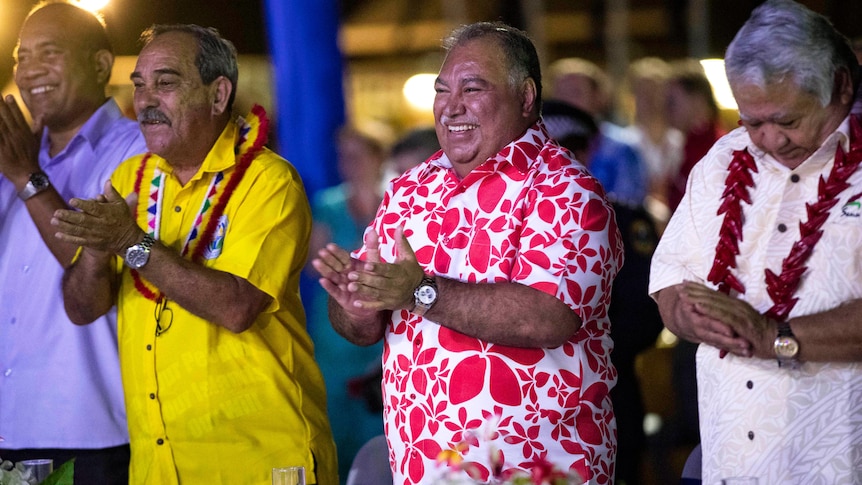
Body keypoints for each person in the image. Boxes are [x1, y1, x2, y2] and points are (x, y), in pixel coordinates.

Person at [313, 21, 623, 485]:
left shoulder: (568, 191)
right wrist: (357, 304)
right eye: (443, 90)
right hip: (424, 467)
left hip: (537, 467)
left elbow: (548, 317)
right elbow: (364, 324)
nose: (451, 105)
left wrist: (419, 292)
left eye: (472, 88)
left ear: (525, 96)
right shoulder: (409, 189)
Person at [52, 24, 337, 484]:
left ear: (218, 93)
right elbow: (82, 308)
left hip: (260, 459)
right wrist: (95, 250)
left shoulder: (267, 182)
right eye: (139, 84)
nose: (145, 100)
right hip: (158, 465)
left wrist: (130, 243)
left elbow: (237, 306)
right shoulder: (130, 180)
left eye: (165, 83)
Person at [649, 0, 862, 482]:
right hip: (730, 461)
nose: (770, 140)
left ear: (841, 86)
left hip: (839, 462)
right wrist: (692, 315)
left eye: (787, 121)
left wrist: (776, 338)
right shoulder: (723, 159)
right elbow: (670, 279)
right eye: (752, 122)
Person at [0, 2, 146, 483]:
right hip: (9, 425)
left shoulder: (136, 150)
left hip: (90, 428)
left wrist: (28, 178)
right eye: (22, 56)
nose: (30, 70)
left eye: (50, 52)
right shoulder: (14, 156)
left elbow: (94, 265)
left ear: (101, 65)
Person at [543, 99, 664, 485]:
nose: (559, 158)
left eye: (572, 147)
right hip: (521, 417)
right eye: (546, 147)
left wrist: (557, 338)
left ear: (590, 149)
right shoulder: (493, 226)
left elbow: (645, 319)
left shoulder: (625, 221)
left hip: (604, 400)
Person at [307, 124, 390, 484]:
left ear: (377, 157)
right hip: (335, 340)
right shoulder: (327, 204)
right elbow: (315, 263)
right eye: (342, 156)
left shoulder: (395, 200)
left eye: (356, 155)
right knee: (337, 438)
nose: (348, 163)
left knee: (385, 440)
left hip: (385, 337)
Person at [548, 57, 648, 206]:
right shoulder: (543, 147)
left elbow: (629, 203)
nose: (566, 101)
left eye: (576, 93)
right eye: (560, 93)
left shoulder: (621, 149)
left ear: (598, 97)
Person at [665, 59, 726, 212]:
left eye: (673, 101)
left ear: (698, 100)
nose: (667, 109)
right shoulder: (687, 144)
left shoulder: (716, 148)